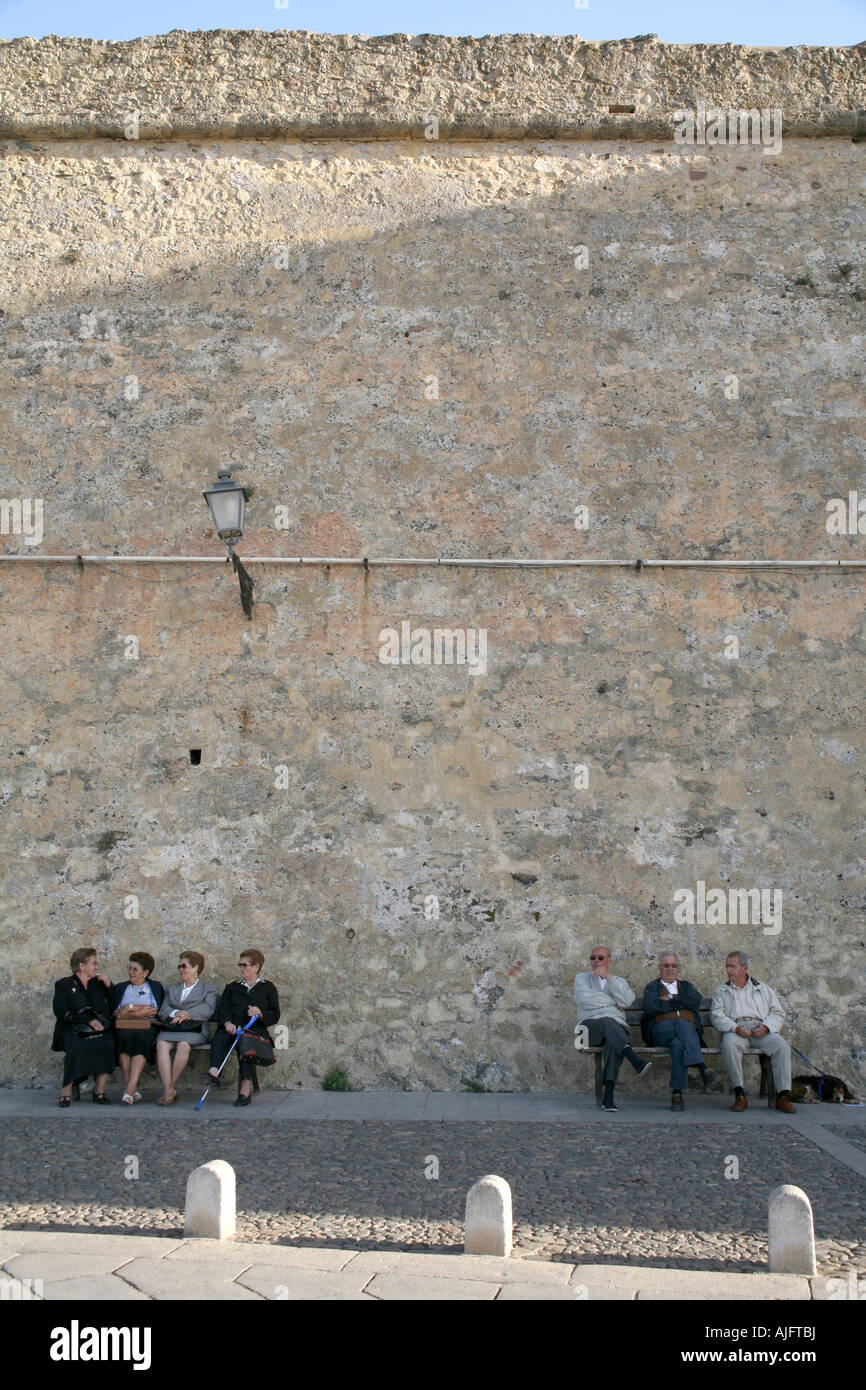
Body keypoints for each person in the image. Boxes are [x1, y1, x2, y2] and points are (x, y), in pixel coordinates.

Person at [710, 950, 796, 1113]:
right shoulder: (721, 991)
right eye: (727, 966)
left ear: (744, 968)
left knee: (782, 1046)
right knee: (728, 1044)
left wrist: (767, 1027)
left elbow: (777, 1013)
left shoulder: (763, 989)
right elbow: (716, 1016)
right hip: (736, 1029)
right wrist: (735, 1028)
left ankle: (783, 1096)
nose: (729, 970)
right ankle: (739, 1094)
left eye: (733, 966)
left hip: (759, 1029)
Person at [641, 952, 724, 1110]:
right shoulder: (653, 987)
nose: (670, 969)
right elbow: (651, 1007)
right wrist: (679, 1001)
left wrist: (670, 999)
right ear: (660, 968)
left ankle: (677, 1095)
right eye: (666, 965)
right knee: (682, 1024)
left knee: (678, 1043)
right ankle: (702, 1067)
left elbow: (694, 1001)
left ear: (678, 969)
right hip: (661, 1032)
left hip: (684, 1035)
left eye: (673, 966)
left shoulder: (686, 986)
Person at [574, 945, 651, 1111]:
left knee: (612, 1042)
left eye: (600, 958)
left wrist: (609, 977)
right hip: (588, 1030)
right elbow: (583, 999)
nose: (596, 961)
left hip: (615, 1030)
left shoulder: (618, 982)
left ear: (608, 960)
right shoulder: (582, 978)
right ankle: (633, 1058)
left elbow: (628, 1001)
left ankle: (608, 1096)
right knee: (606, 1021)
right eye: (593, 957)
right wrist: (613, 1003)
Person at [206, 949, 280, 1106]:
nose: (241, 968)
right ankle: (213, 1073)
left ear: (256, 967)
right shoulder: (232, 987)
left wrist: (260, 1013)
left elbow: (274, 1014)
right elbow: (223, 1009)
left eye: (245, 965)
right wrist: (227, 1023)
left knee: (246, 1043)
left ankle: (245, 1087)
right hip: (231, 1027)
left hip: (254, 1030)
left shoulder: (268, 987)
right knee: (220, 1038)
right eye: (240, 965)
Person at [52, 947, 116, 1106]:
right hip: (72, 1029)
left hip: (96, 1029)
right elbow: (61, 1012)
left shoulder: (98, 984)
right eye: (93, 963)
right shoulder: (64, 985)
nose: (96, 967)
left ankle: (99, 1091)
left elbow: (113, 1007)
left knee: (107, 1042)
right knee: (75, 1047)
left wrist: (110, 987)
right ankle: (66, 1090)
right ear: (81, 966)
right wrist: (87, 1021)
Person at [155, 951, 218, 1105]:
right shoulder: (172, 988)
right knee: (161, 1044)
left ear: (196, 967)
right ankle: (168, 1090)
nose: (181, 970)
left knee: (184, 1045)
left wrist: (187, 1014)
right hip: (172, 1029)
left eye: (184, 966)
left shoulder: (208, 989)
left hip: (194, 1029)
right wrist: (176, 1012)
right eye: (179, 966)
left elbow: (208, 1010)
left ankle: (169, 1088)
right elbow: (163, 1010)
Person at [110, 953, 165, 1104]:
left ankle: (129, 1089)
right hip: (124, 1027)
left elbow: (154, 1010)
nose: (131, 972)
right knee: (123, 1037)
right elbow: (117, 1013)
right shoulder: (121, 988)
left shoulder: (154, 987)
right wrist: (138, 1011)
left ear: (145, 972)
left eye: (135, 969)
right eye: (130, 968)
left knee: (143, 1039)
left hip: (148, 1027)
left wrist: (130, 1008)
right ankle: (131, 1089)